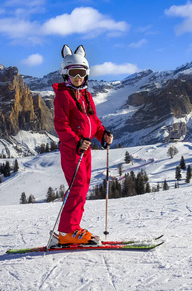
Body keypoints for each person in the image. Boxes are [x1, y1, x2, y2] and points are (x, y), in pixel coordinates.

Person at [53, 44, 113, 244]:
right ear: (65, 74)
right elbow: (61, 126)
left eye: (81, 73)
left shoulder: (86, 96)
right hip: (72, 150)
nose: (77, 77)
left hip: (84, 149)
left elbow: (93, 122)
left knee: (83, 187)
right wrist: (77, 141)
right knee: (77, 187)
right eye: (73, 73)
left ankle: (73, 228)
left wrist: (102, 134)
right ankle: (67, 231)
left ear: (86, 75)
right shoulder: (63, 96)